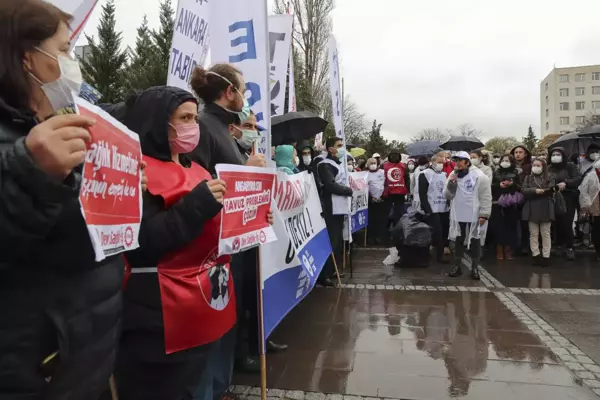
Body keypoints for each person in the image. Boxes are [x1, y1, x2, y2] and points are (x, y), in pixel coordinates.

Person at [0, 2, 128, 398]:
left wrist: (120, 186)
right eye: (65, 50)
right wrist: (31, 172)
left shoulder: (55, 128)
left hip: (80, 357)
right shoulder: (26, 145)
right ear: (28, 59)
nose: (73, 63)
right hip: (32, 369)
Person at [111, 86, 230, 399]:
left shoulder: (199, 168)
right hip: (157, 322)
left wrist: (251, 221)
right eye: (184, 118)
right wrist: (197, 205)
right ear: (159, 121)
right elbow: (142, 242)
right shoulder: (136, 171)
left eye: (195, 118)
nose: (193, 126)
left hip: (202, 309)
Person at [188, 64, 271, 398]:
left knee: (226, 322)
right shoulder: (204, 128)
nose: (246, 97)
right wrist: (245, 172)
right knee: (211, 326)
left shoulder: (225, 130)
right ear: (228, 92)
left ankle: (221, 387)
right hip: (212, 244)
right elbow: (199, 184)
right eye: (243, 90)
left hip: (233, 241)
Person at [444, 152, 492, 280]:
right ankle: (457, 266)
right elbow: (448, 195)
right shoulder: (453, 175)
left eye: (461, 160)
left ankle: (475, 268)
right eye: (456, 160)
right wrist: (451, 183)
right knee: (458, 240)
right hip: (458, 213)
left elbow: (486, 196)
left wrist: (484, 214)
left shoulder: (479, 176)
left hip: (474, 213)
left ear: (467, 162)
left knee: (475, 240)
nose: (458, 163)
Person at [317, 137, 353, 287]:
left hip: (340, 208)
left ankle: (333, 269)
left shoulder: (339, 163)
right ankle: (324, 274)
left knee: (337, 241)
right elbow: (330, 185)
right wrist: (348, 190)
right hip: (330, 208)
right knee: (330, 240)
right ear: (331, 149)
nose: (342, 148)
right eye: (339, 146)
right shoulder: (324, 164)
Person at [414, 154, 450, 263]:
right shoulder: (425, 174)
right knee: (437, 232)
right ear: (432, 162)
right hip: (431, 208)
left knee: (443, 232)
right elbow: (422, 193)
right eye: (439, 162)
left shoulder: (444, 174)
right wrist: (427, 209)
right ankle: (439, 256)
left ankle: (437, 251)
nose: (441, 165)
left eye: (443, 163)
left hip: (443, 208)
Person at [548, 147, 582, 261]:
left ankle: (569, 247)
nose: (555, 157)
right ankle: (559, 244)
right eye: (553, 155)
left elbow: (578, 178)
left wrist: (566, 183)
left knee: (567, 222)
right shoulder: (549, 168)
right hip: (553, 197)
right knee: (556, 223)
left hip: (568, 197)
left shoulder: (570, 166)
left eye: (558, 154)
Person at [521, 158, 555, 267]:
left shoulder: (550, 176)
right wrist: (534, 191)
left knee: (545, 233)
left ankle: (546, 256)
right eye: (534, 165)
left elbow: (551, 189)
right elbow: (523, 190)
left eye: (538, 165)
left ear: (543, 166)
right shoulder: (528, 177)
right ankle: (535, 255)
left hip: (546, 207)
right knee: (533, 233)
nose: (535, 167)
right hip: (532, 207)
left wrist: (542, 191)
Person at [491, 154, 521, 260]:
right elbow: (491, 186)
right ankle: (499, 250)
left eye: (507, 160)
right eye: (503, 160)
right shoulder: (496, 172)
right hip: (498, 202)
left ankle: (508, 250)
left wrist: (512, 185)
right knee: (499, 228)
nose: (505, 162)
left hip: (511, 203)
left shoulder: (516, 173)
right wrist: (499, 185)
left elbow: (520, 186)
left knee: (510, 227)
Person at [579, 157, 600, 260]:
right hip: (595, 204)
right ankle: (598, 251)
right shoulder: (591, 176)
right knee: (597, 228)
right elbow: (584, 191)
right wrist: (586, 205)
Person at [384, 150, 410, 225]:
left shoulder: (403, 166)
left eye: (396, 155)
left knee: (399, 212)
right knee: (387, 212)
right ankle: (387, 229)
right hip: (388, 192)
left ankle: (398, 228)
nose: (394, 157)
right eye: (392, 155)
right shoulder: (385, 165)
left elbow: (406, 178)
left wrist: (408, 190)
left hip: (400, 193)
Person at [366, 157, 386, 245]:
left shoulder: (382, 172)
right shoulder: (365, 175)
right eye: (371, 163)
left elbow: (387, 184)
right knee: (371, 220)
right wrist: (371, 198)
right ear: (368, 165)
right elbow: (363, 189)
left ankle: (379, 237)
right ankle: (371, 237)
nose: (373, 165)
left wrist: (383, 196)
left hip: (381, 200)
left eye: (374, 163)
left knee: (380, 220)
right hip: (370, 202)